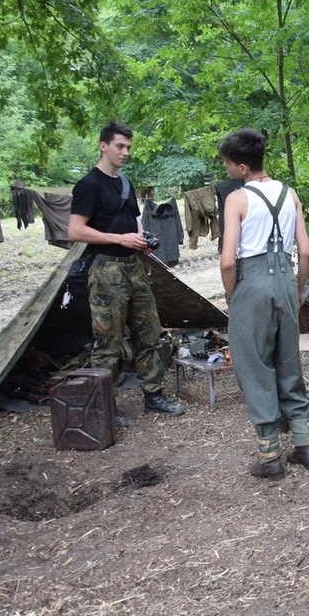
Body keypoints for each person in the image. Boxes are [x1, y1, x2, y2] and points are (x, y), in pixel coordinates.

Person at [67, 121, 184, 426]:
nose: (125, 152)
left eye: (129, 147)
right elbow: (75, 230)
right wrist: (120, 239)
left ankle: (153, 394)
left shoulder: (125, 183)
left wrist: (143, 239)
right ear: (103, 146)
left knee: (149, 332)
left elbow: (133, 221)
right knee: (109, 341)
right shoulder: (89, 184)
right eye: (120, 146)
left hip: (134, 266)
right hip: (106, 268)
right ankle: (105, 405)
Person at [219, 128, 309, 481]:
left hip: (252, 283)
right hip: (286, 281)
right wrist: (299, 289)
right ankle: (304, 445)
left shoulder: (237, 199)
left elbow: (228, 261)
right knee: (288, 361)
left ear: (242, 167)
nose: (227, 169)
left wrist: (233, 296)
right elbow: (305, 252)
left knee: (254, 365)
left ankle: (270, 455)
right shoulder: (290, 194)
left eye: (228, 163)